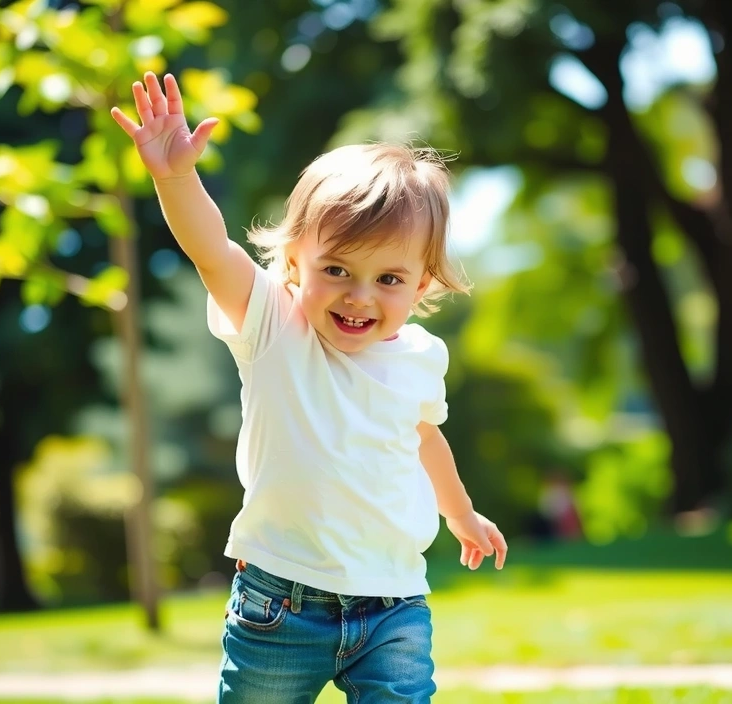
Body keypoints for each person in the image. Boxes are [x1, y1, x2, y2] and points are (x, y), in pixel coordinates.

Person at [111, 72, 507, 703]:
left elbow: (424, 437)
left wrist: (460, 514)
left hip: (393, 604)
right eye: (337, 269)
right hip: (280, 606)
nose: (359, 295)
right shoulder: (274, 325)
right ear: (294, 262)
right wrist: (174, 177)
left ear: (423, 284)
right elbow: (212, 251)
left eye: (389, 278)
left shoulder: (421, 356)